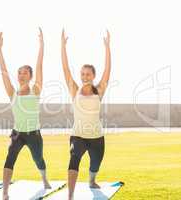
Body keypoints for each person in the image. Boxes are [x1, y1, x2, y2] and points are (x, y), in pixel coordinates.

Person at [0, 28, 51, 200]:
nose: (21, 75)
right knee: (9, 158)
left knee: (38, 160)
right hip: (17, 134)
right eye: (19, 72)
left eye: (25, 73)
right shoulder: (12, 93)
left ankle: (44, 178)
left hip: (34, 134)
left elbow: (40, 66)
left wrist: (42, 45)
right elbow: (3, 71)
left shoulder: (35, 90)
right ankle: (5, 192)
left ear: (30, 76)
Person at [61, 29, 111, 200]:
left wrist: (107, 47)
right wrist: (63, 46)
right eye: (82, 74)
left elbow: (107, 70)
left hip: (97, 136)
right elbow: (66, 69)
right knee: (74, 159)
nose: (84, 76)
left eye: (88, 74)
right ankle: (70, 195)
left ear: (93, 76)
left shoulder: (99, 91)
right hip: (78, 135)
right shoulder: (75, 90)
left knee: (95, 164)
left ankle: (91, 180)